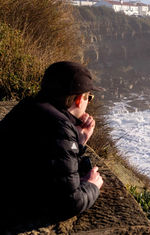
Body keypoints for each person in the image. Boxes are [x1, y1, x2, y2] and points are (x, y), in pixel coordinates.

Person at [0, 61, 104, 230]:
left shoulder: (28, 107)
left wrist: (79, 141)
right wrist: (92, 185)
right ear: (79, 99)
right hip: (11, 213)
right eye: (89, 98)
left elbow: (53, 163)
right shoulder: (59, 128)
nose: (88, 103)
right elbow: (70, 203)